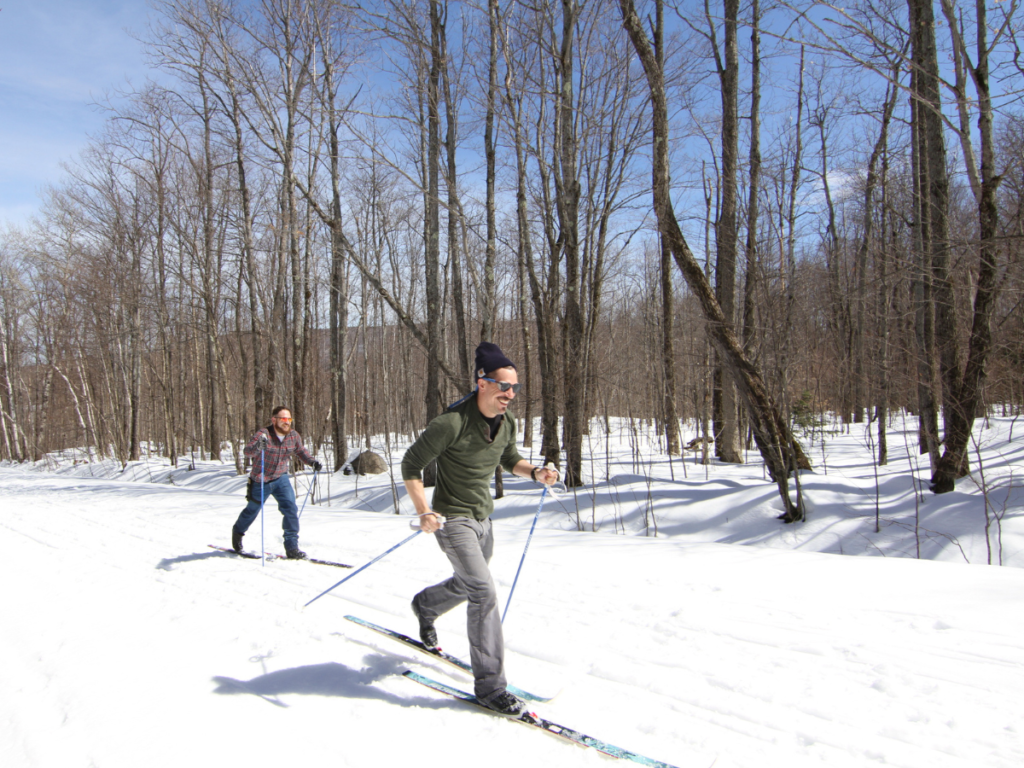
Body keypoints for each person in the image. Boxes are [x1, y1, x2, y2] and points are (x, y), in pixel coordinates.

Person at [402, 342, 558, 717]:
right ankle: (491, 687)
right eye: (504, 386)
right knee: (484, 592)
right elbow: (411, 465)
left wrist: (535, 472)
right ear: (482, 383)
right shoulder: (450, 422)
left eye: (515, 388)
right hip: (451, 518)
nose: (510, 395)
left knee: (470, 583)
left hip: (483, 519)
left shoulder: (508, 423)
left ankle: (425, 605)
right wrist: (424, 510)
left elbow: (507, 458)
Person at [232, 406, 322, 559]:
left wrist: (312, 462)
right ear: (274, 420)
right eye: (283, 419)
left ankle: (292, 547)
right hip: (261, 479)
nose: (287, 422)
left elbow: (301, 451)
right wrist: (257, 447)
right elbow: (248, 451)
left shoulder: (293, 435)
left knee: (290, 509)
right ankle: (238, 533)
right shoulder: (264, 434)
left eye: (289, 419)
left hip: (281, 478)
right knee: (252, 510)